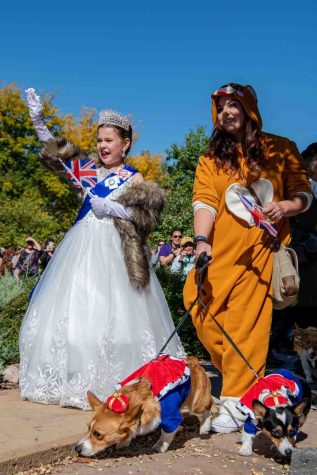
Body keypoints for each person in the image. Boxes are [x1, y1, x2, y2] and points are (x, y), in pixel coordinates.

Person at [19, 90, 184, 409]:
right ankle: (76, 379)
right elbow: (57, 151)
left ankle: (115, 381)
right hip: (81, 248)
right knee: (77, 313)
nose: (103, 146)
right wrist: (38, 120)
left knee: (116, 317)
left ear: (126, 144)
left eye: (109, 140)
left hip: (116, 251)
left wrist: (113, 208)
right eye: (99, 141)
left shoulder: (135, 179)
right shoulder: (91, 171)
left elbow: (146, 217)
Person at [183, 83, 313, 433]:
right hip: (218, 255)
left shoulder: (281, 149)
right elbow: (205, 201)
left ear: (250, 109)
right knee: (195, 303)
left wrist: (284, 207)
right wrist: (200, 241)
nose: (225, 112)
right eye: (220, 107)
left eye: (233, 105)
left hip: (260, 252)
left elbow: (304, 193)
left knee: (246, 326)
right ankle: (249, 380)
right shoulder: (210, 159)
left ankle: (238, 400)